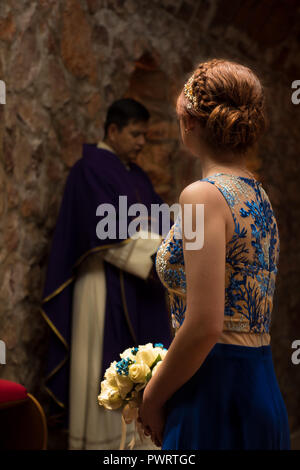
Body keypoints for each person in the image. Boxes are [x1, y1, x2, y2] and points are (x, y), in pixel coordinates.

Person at [138, 59, 291, 450]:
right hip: (259, 385)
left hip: (213, 390)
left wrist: (152, 396)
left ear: (188, 121)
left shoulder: (202, 196)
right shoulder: (258, 195)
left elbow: (205, 323)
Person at [40, 98, 173, 449]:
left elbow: (163, 221)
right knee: (102, 365)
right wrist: (163, 254)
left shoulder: (136, 175)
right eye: (135, 134)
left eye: (145, 134)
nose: (142, 142)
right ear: (112, 131)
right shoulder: (90, 170)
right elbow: (106, 232)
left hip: (137, 283)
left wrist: (173, 246)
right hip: (101, 285)